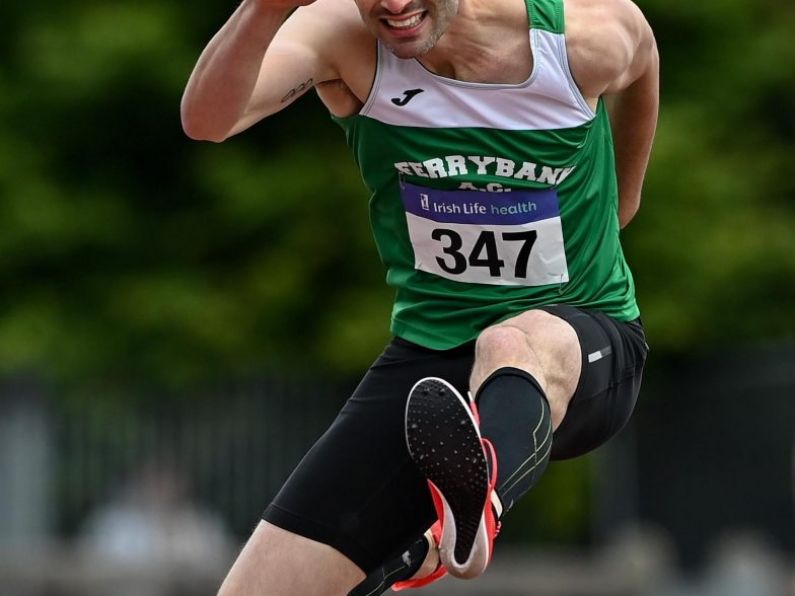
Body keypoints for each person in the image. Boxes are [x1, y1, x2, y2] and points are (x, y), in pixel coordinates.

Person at [181, 0, 658, 593]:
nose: (396, 5)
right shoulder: (340, 37)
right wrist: (263, 9)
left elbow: (643, 61)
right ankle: (451, 511)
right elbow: (207, 120)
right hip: (430, 369)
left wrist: (623, 201)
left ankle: (468, 516)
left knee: (509, 339)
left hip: (582, 339)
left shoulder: (582, 36)